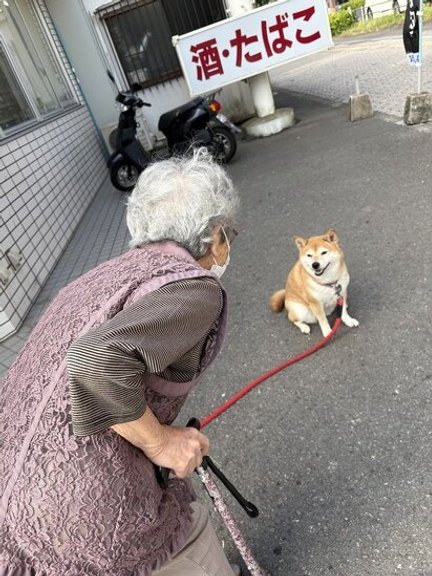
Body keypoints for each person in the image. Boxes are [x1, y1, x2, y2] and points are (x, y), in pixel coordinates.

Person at [0, 150, 242, 576]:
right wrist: (161, 443)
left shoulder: (97, 277)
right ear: (214, 235)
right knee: (184, 535)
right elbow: (95, 360)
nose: (229, 244)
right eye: (230, 233)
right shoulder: (193, 288)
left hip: (11, 476)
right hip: (71, 500)